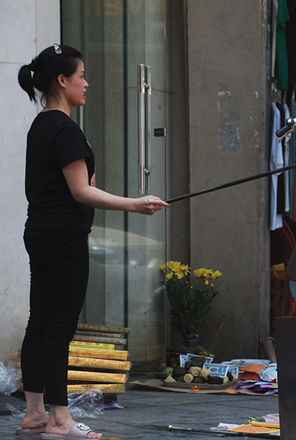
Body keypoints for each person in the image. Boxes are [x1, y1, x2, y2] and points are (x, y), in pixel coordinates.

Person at [17, 44, 169, 439]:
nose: (86, 83)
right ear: (62, 81)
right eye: (81, 76)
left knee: (41, 321)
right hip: (64, 238)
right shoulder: (64, 128)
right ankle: (60, 419)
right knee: (59, 329)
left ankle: (35, 413)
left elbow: (67, 186)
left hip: (41, 232)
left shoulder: (41, 124)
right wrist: (135, 204)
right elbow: (82, 192)